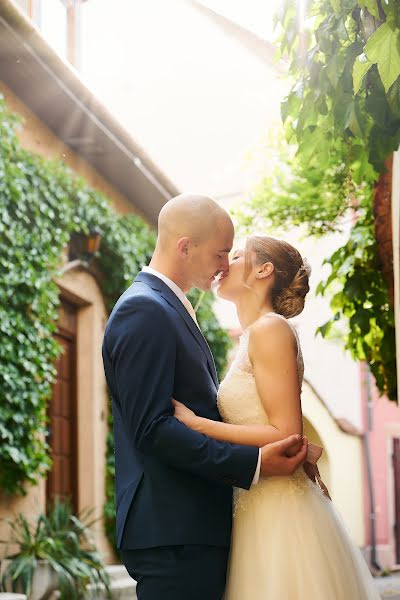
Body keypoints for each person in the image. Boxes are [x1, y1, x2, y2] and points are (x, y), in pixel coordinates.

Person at [102, 195, 308, 600]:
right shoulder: (144, 310)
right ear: (185, 247)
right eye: (219, 253)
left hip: (194, 529)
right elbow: (153, 429)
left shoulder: (168, 308)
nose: (223, 264)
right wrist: (254, 464)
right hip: (174, 532)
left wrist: (289, 442)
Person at [174, 235, 381, 600]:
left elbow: (285, 431)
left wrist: (196, 425)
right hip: (256, 501)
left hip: (280, 508)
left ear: (263, 269)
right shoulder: (253, 336)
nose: (224, 264)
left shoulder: (271, 330)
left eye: (236, 256)